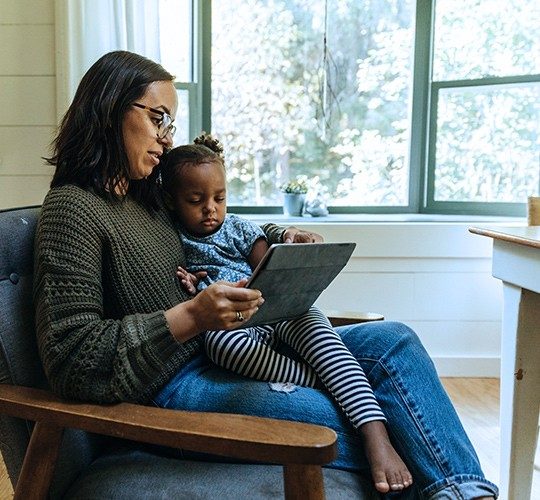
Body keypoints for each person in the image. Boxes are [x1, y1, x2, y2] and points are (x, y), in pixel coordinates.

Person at [34, 50, 498, 499]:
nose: (168, 138)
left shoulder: (150, 195)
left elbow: (218, 220)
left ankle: (468, 495)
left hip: (237, 344)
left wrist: (279, 237)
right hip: (174, 384)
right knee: (376, 419)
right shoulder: (72, 209)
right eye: (158, 118)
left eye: (169, 123)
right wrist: (192, 316)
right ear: (110, 108)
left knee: (395, 340)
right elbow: (72, 360)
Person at [160, 133, 412, 493]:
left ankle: (375, 433)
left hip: (277, 308)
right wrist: (189, 284)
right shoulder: (172, 239)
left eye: (219, 198)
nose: (210, 209)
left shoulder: (239, 228)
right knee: (219, 346)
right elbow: (185, 295)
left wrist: (278, 271)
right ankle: (329, 382)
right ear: (171, 201)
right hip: (233, 324)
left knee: (317, 330)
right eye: (195, 200)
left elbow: (273, 265)